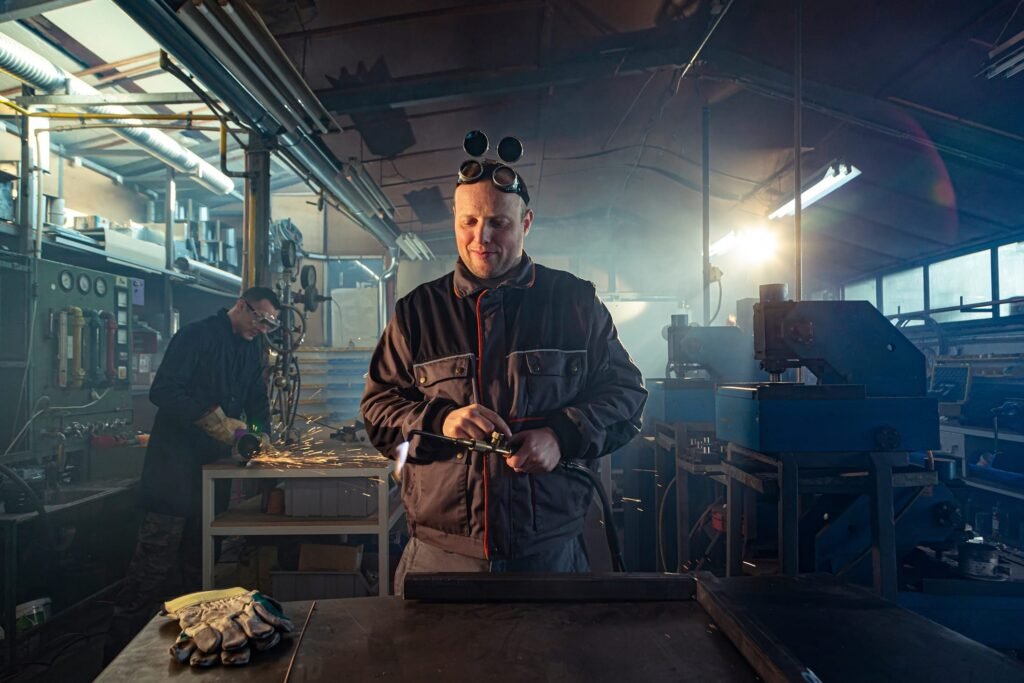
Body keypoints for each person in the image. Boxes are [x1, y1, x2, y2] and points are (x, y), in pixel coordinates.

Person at [361, 159, 647, 594]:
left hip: (548, 554)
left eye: (499, 222)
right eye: (469, 221)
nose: (482, 238)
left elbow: (626, 393)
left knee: (550, 664)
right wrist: (441, 421)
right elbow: (378, 412)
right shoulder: (417, 312)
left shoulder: (574, 303)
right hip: (441, 555)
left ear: (526, 222)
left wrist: (561, 435)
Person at [104, 287, 280, 661]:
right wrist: (209, 418)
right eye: (259, 318)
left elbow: (256, 399)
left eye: (270, 323)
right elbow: (163, 390)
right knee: (150, 574)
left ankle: (190, 657)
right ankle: (115, 661)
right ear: (240, 305)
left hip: (210, 478)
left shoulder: (251, 349)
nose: (262, 328)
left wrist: (260, 432)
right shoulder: (196, 336)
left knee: (200, 575)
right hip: (172, 472)